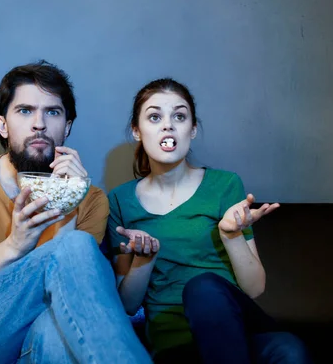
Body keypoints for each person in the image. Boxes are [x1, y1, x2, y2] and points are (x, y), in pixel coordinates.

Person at [0, 60, 152, 364]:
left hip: (35, 340)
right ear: (3, 124)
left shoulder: (91, 199)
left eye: (52, 112)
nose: (39, 123)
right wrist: (14, 246)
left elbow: (71, 294)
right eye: (25, 111)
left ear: (66, 127)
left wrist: (68, 202)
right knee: (74, 247)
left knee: (55, 333)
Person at [107, 78, 312, 364]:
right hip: (175, 345)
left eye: (179, 116)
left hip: (238, 330)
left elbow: (255, 288)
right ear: (137, 131)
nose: (168, 126)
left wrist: (231, 234)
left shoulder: (225, 185)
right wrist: (144, 260)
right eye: (154, 117)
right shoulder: (119, 200)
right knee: (288, 349)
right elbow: (128, 305)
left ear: (191, 130)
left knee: (203, 288)